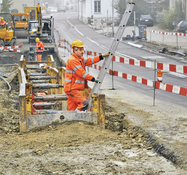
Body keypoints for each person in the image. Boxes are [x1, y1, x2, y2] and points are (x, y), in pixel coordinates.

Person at [64, 39, 110, 111]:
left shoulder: (79, 59)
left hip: (72, 88)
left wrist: (101, 56)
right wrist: (93, 79)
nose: (83, 51)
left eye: (82, 49)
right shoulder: (72, 60)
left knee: (72, 109)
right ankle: (77, 117)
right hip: (72, 89)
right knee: (84, 104)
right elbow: (81, 73)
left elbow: (89, 60)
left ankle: (72, 120)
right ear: (75, 50)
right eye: (80, 49)